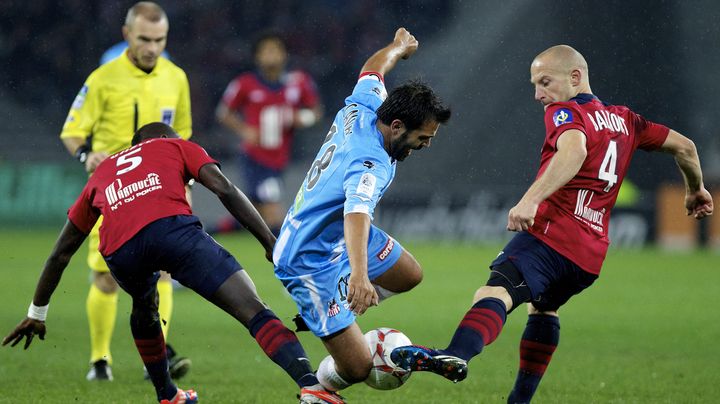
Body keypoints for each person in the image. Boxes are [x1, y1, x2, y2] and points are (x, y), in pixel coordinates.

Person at [390, 45, 715, 402]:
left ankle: (456, 353)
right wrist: (696, 189)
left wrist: (530, 200)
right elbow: (685, 147)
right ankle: (520, 399)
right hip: (589, 256)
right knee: (544, 307)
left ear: (575, 77)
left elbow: (573, 152)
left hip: (552, 235)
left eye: (545, 82)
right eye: (534, 84)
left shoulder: (565, 111)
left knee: (494, 292)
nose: (538, 94)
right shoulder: (627, 120)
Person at [3, 122, 336, 404]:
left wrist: (37, 313)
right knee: (253, 310)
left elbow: (61, 252)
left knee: (145, 303)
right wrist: (269, 242)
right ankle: (311, 384)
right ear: (166, 139)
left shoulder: (102, 172)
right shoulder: (177, 146)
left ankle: (167, 394)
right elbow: (224, 187)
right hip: (173, 233)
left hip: (121, 251)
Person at [272, 27, 458, 398]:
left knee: (408, 274)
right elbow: (356, 215)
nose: (424, 146)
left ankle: (340, 309)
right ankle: (316, 388)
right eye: (422, 138)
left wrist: (397, 48)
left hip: (337, 237)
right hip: (309, 257)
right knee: (357, 368)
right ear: (397, 126)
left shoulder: (368, 104)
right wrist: (359, 276)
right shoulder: (369, 162)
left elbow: (373, 70)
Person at [59, 2, 191, 381]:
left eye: (159, 39)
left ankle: (158, 362)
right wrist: (86, 153)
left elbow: (182, 135)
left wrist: (185, 180)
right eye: (145, 39)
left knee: (163, 272)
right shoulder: (102, 78)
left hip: (158, 190)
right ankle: (100, 361)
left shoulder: (176, 78)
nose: (152, 47)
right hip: (114, 192)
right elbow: (71, 131)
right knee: (105, 279)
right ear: (127, 35)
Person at [215, 32, 322, 235]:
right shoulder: (245, 83)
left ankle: (218, 231)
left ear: (284, 55)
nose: (271, 55)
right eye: (266, 50)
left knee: (252, 212)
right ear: (257, 57)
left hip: (280, 157)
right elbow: (224, 112)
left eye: (275, 50)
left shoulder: (299, 82)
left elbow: (316, 111)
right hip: (255, 157)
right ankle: (288, 249)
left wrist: (302, 118)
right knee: (272, 211)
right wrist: (244, 129)